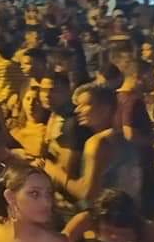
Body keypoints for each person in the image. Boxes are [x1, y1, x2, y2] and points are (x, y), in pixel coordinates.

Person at [43, 85, 141, 214]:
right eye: (77, 105)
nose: (77, 110)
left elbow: (87, 194)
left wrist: (55, 172)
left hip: (106, 218)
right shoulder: (119, 137)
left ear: (105, 108)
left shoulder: (98, 143)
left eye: (85, 105)